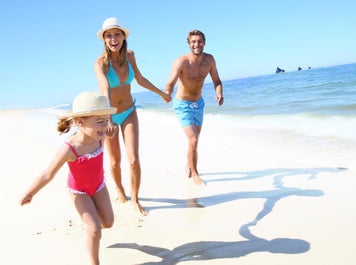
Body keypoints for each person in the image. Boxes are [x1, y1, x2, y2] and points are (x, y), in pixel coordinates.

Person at [20, 91, 117, 265]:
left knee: (108, 223)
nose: (104, 126)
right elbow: (47, 173)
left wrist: (110, 131)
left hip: (99, 186)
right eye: (99, 121)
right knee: (95, 231)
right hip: (79, 192)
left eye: (107, 119)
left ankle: (91, 227)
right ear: (80, 122)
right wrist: (30, 192)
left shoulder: (100, 136)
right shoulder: (70, 148)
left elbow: (107, 131)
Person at [94, 17, 171, 216]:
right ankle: (120, 190)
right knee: (113, 162)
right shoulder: (100, 63)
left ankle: (135, 199)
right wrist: (109, 118)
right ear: (104, 39)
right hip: (109, 115)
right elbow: (105, 90)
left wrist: (161, 93)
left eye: (116, 34)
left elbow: (140, 79)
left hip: (129, 112)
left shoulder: (130, 56)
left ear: (123, 36)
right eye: (109, 35)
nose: (113, 39)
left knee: (134, 159)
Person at [164, 30, 224, 186]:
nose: (197, 44)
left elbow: (217, 80)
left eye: (199, 41)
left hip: (199, 104)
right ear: (189, 44)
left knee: (194, 142)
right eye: (193, 42)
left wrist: (219, 93)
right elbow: (170, 82)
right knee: (193, 139)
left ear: (204, 42)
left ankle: (188, 165)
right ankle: (195, 174)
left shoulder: (209, 60)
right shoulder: (181, 62)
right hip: (183, 105)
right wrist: (167, 91)